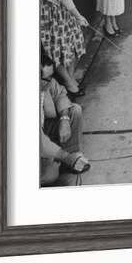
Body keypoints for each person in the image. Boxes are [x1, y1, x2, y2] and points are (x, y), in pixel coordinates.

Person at [40, 45, 90, 186]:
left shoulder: (48, 83)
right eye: (47, 79)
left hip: (45, 127)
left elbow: (61, 94)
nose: (51, 81)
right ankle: (63, 159)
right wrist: (65, 157)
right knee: (49, 177)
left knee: (74, 110)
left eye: (51, 77)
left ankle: (71, 155)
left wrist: (64, 119)